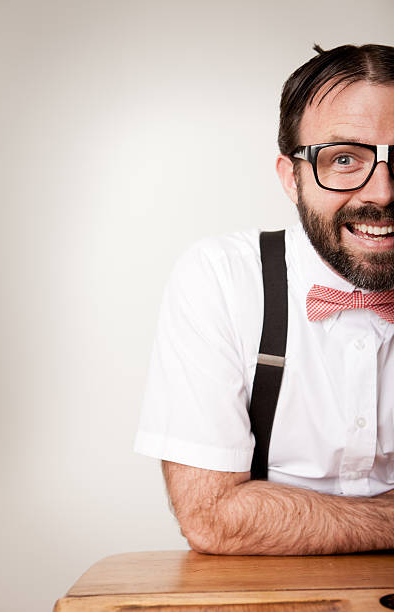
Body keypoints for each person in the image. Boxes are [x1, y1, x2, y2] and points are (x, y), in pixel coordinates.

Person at [134, 43, 394, 555]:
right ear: (290, 178)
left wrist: (278, 515)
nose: (382, 192)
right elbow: (211, 518)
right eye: (344, 158)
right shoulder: (222, 279)